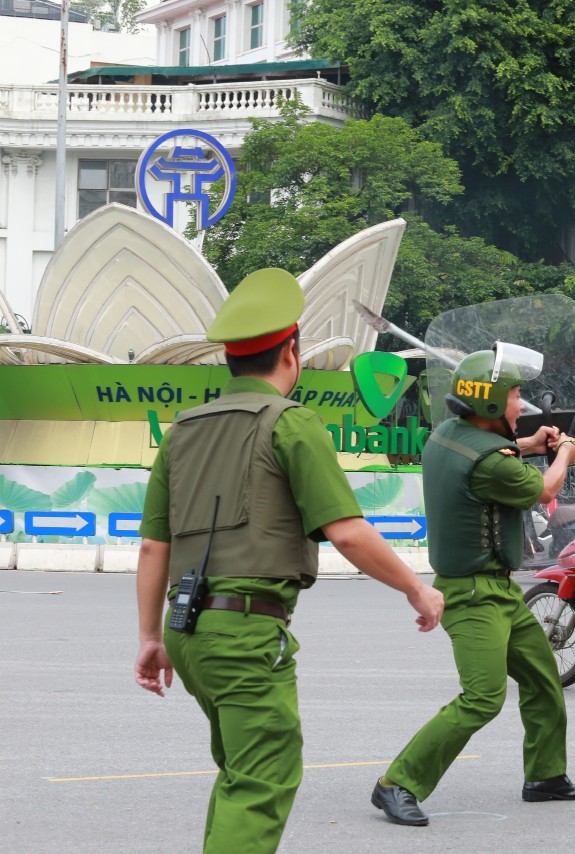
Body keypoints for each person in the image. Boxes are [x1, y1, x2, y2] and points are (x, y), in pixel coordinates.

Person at [133, 268, 446, 853]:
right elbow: (348, 533)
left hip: (187, 631)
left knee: (238, 773)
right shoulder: (291, 422)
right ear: (293, 353)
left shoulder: (182, 432)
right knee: (261, 779)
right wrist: (417, 589)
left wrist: (151, 636)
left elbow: (155, 546)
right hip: (245, 630)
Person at [372, 343, 575, 827]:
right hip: (473, 595)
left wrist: (533, 444)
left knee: (541, 679)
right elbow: (544, 489)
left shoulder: (446, 434)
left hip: (499, 591)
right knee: (482, 697)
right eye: (516, 395)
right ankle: (397, 783)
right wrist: (567, 453)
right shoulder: (492, 464)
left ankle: (545, 775)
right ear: (491, 403)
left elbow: (495, 450)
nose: (523, 404)